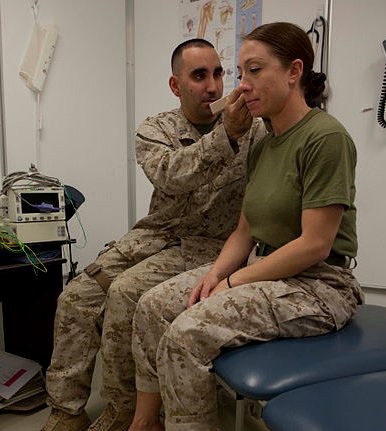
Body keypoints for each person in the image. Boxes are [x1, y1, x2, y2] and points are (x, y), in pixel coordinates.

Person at [128, 22, 364, 431]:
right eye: (241, 73)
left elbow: (314, 246)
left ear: (294, 72)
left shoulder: (326, 138)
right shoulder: (265, 141)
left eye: (255, 71)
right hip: (266, 272)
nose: (240, 86)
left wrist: (234, 283)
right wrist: (218, 273)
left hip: (320, 285)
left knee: (187, 335)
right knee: (151, 307)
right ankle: (145, 422)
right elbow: (244, 231)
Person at [41, 38, 266, 431]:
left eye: (218, 73)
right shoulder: (155, 128)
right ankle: (66, 409)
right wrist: (223, 136)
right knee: (77, 296)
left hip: (210, 245)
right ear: (175, 85)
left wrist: (233, 131)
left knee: (126, 292)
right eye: (199, 76)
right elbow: (171, 175)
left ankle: (124, 407)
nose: (213, 87)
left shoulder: (254, 130)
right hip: (154, 236)